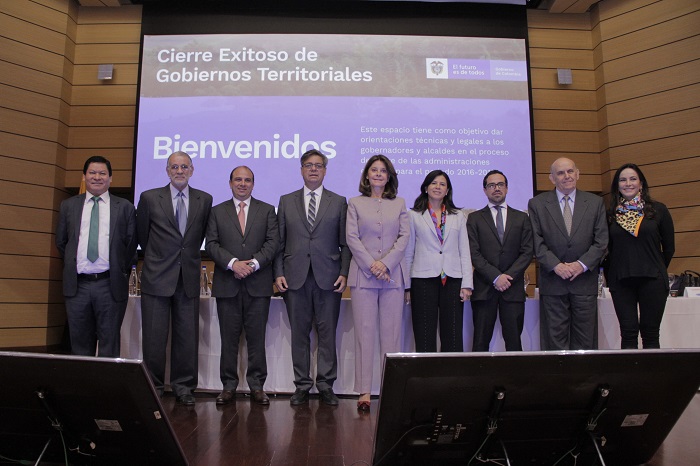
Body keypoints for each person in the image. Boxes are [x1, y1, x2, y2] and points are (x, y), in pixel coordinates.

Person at [274, 149, 351, 407]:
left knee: (327, 334)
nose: (314, 169)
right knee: (300, 334)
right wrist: (278, 273)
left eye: (318, 165)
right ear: (301, 170)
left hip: (329, 278)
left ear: (325, 170)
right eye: (308, 165)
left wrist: (343, 272)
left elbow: (346, 244)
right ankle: (302, 385)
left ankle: (326, 385)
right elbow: (278, 243)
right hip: (295, 278)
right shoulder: (286, 201)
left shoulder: (339, 202)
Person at [136, 151, 212, 405]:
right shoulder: (149, 198)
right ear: (167, 171)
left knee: (186, 337)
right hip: (157, 277)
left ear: (192, 170)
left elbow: (199, 235)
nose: (179, 171)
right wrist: (158, 260)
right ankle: (154, 386)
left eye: (184, 167)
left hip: (188, 277)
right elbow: (142, 236)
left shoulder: (204, 199)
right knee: (154, 339)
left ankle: (184, 387)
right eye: (174, 167)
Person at [206, 166, 279, 405]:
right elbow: (212, 244)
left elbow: (273, 243)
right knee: (228, 339)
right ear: (230, 183)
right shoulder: (217, 211)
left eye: (247, 180)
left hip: (258, 285)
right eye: (238, 179)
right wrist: (233, 263)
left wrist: (254, 264)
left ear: (253, 184)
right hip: (228, 284)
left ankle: (257, 386)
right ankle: (228, 386)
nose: (243, 184)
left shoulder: (267, 210)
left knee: (256, 339)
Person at [56, 156, 137, 357]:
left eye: (102, 173)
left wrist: (119, 270)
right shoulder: (69, 206)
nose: (97, 177)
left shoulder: (124, 207)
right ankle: (83, 388)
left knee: (109, 344)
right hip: (78, 286)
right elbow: (62, 242)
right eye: (92, 173)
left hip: (109, 285)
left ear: (110, 178)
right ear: (84, 177)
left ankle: (107, 388)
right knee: (80, 344)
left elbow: (130, 245)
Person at [346, 154, 409, 411]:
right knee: (364, 334)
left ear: (389, 176)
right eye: (374, 170)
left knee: (392, 336)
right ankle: (364, 391)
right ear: (367, 175)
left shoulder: (400, 203)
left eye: (383, 171)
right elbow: (351, 237)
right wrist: (372, 264)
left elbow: (404, 237)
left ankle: (390, 390)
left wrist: (386, 264)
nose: (379, 174)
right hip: (364, 276)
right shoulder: (355, 203)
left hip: (392, 277)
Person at [528, 157, 608, 350]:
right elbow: (536, 242)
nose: (567, 176)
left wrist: (580, 265)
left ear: (578, 174)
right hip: (553, 282)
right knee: (555, 343)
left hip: (584, 282)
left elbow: (602, 242)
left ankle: (584, 381)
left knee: (585, 342)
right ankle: (558, 381)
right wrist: (557, 266)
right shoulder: (537, 204)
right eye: (561, 173)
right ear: (552, 178)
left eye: (570, 171)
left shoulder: (595, 203)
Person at [605, 163, 674, 349]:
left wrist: (655, 266)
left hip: (653, 280)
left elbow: (669, 248)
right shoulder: (610, 214)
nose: (628, 183)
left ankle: (651, 379)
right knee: (628, 333)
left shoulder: (659, 210)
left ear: (641, 183)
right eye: (623, 179)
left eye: (633, 179)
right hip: (621, 281)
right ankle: (630, 379)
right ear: (617, 185)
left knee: (650, 334)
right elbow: (608, 250)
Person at [404, 170, 472, 352]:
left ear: (447, 190)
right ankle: (426, 379)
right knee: (424, 334)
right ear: (426, 188)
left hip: (452, 279)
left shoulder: (458, 216)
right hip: (422, 279)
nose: (437, 187)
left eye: (442, 184)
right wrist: (407, 286)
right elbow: (409, 251)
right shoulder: (414, 215)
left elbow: (464, 251)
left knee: (453, 334)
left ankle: (451, 378)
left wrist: (467, 284)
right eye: (433, 183)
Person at [467, 170, 533, 351]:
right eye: (491, 185)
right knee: (480, 343)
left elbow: (527, 252)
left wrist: (508, 276)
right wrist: (496, 277)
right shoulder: (474, 218)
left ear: (507, 188)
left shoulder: (522, 218)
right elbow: (474, 253)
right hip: (484, 288)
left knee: (514, 343)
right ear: (485, 190)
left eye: (500, 184)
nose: (496, 189)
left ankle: (514, 380)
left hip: (513, 289)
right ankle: (480, 380)